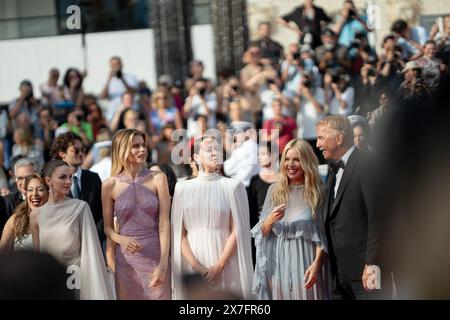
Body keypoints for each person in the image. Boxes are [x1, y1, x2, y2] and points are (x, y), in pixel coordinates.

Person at [171, 135, 253, 299]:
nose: (215, 153)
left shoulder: (233, 186)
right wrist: (196, 267)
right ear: (196, 157)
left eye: (218, 150)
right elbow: (179, 234)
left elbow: (237, 231)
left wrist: (219, 265)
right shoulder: (182, 188)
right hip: (193, 258)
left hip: (226, 260)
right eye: (209, 150)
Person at [252, 139, 330, 300]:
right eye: (287, 159)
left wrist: (317, 265)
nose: (291, 164)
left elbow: (323, 234)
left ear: (306, 161)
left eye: (296, 159)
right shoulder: (274, 190)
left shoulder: (319, 192)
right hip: (278, 264)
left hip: (307, 262)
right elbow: (262, 233)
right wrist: (270, 220)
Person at [315, 115, 379, 300]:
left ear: (339, 138)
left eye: (321, 137)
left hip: (365, 273)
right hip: (339, 274)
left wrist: (372, 264)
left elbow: (378, 217)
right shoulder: (334, 168)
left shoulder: (367, 164)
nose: (318, 144)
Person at [102, 129, 171, 300]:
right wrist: (121, 239)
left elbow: (164, 224)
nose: (142, 150)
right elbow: (107, 228)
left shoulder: (158, 178)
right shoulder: (109, 185)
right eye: (135, 146)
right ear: (122, 150)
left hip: (155, 255)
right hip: (126, 260)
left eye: (143, 145)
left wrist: (163, 264)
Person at [30, 159, 114, 300]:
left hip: (75, 280)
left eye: (69, 177)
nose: (68, 181)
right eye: (62, 177)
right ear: (48, 180)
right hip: (48, 280)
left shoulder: (80, 207)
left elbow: (91, 252)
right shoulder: (36, 215)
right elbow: (37, 255)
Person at [50, 132, 104, 244]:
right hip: (66, 244)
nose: (80, 153)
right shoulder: (54, 182)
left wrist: (95, 235)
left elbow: (102, 212)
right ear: (62, 154)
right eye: (76, 150)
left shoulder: (93, 178)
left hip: (94, 242)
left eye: (82, 150)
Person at [0, 174, 48, 251]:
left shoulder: (59, 219)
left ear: (48, 193)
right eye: (30, 190)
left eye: (40, 189)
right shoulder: (15, 220)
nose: (34, 194)